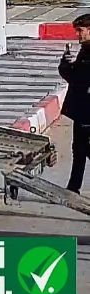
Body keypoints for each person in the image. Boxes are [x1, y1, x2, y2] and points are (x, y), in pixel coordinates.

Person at [58, 14, 90, 194]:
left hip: (87, 108)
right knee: (79, 148)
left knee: (82, 148)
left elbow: (78, 78)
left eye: (81, 31)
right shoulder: (85, 50)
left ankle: (73, 187)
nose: (78, 35)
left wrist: (64, 67)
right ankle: (73, 187)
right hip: (83, 108)